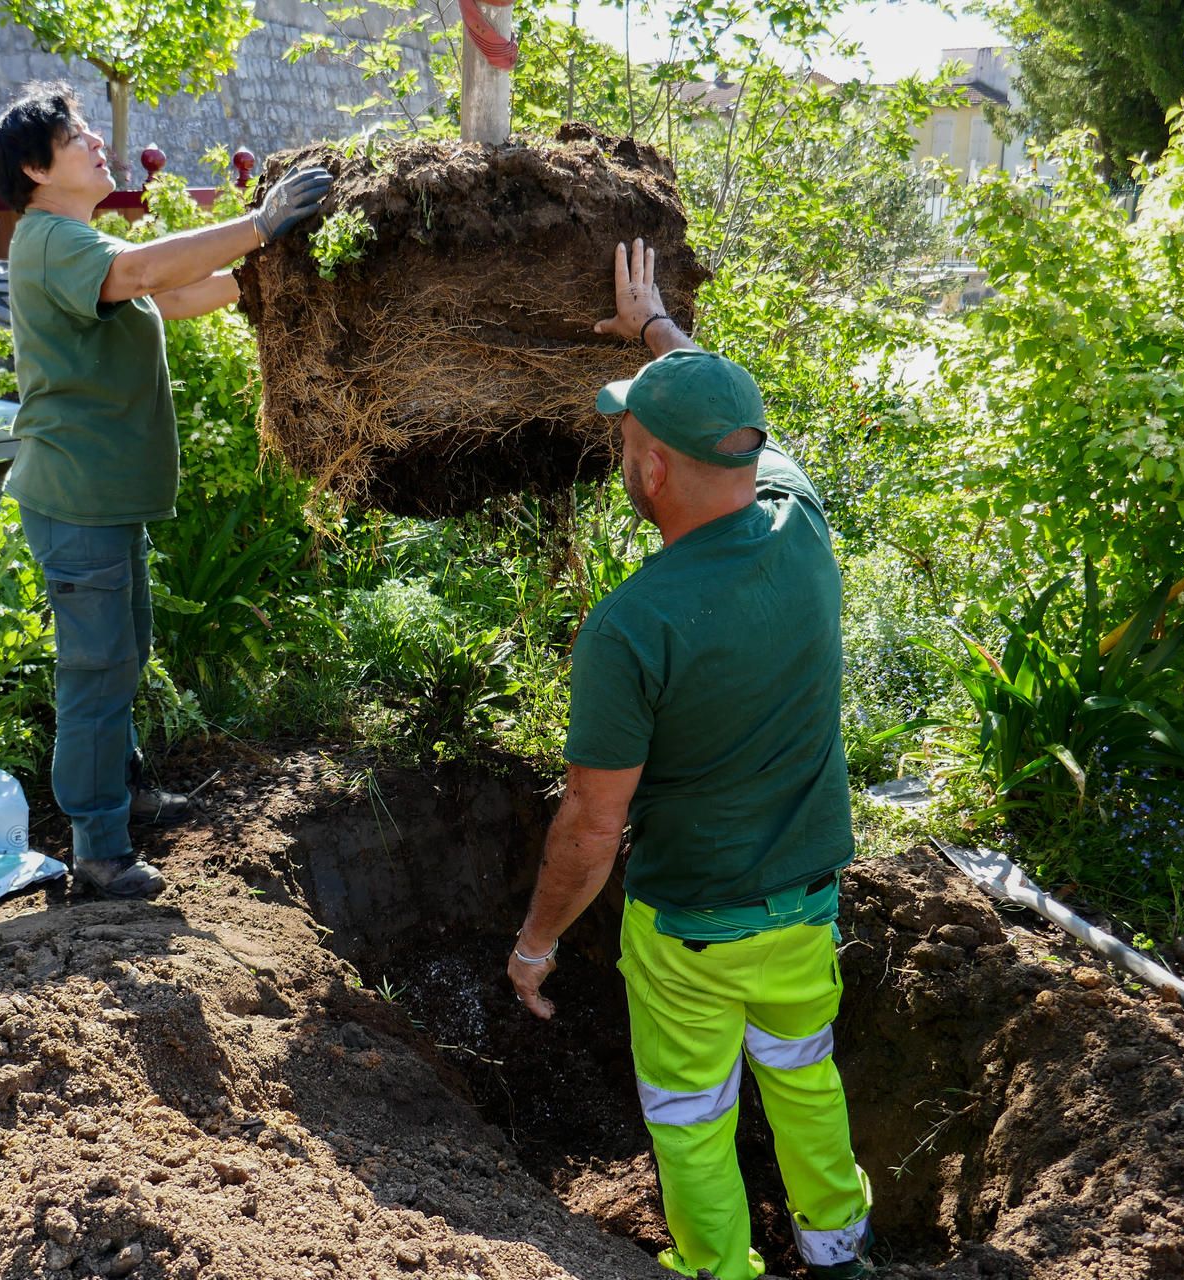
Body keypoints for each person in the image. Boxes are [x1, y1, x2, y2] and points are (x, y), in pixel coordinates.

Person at [505, 240, 874, 1280]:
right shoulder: (798, 520)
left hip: (691, 929)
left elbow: (590, 824)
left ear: (654, 466)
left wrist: (536, 941)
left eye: (629, 438)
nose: (625, 453)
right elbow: (742, 419)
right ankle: (840, 1249)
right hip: (803, 906)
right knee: (804, 1073)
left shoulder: (635, 626)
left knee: (691, 1111)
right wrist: (660, 328)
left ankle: (720, 1267)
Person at [0, 83, 331, 899]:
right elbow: (144, 268)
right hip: (76, 499)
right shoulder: (47, 241)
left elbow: (170, 295)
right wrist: (257, 223)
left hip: (103, 499)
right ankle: (98, 847)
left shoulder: (76, 241)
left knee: (124, 652)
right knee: (96, 672)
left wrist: (262, 275)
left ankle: (127, 791)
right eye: (77, 136)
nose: (98, 143)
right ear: (36, 169)